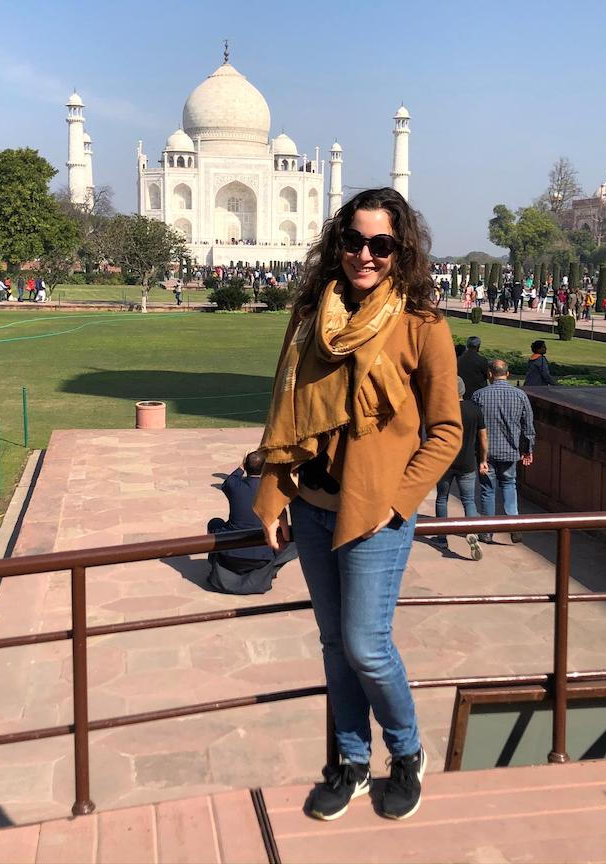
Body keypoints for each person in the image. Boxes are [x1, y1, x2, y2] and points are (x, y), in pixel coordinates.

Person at [253, 187, 462, 822]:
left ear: (402, 251)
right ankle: (349, 761)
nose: (364, 256)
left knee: (366, 645)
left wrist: (398, 503)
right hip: (314, 504)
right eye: (354, 242)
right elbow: (287, 408)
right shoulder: (314, 314)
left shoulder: (422, 324)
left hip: (375, 513)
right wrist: (274, 493)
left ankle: (406, 754)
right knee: (333, 644)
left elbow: (447, 431)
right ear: (337, 245)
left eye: (381, 244)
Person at [207, 450, 297, 594]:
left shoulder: (234, 486)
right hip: (263, 553)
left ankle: (216, 566)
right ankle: (271, 569)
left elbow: (228, 481)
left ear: (246, 466)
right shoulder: (272, 490)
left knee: (214, 523)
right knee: (292, 536)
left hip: (232, 552)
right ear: (266, 467)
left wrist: (242, 465)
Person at [472, 360, 535, 545]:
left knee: (487, 490)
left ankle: (487, 531)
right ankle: (513, 526)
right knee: (509, 486)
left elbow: (475, 427)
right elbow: (528, 427)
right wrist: (527, 449)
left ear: (490, 374)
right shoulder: (520, 395)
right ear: (507, 374)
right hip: (510, 450)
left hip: (486, 453)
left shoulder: (479, 395)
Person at [433, 377, 487, 560]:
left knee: (442, 499)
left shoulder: (442, 409)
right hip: (467, 462)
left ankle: (441, 537)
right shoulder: (474, 409)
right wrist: (483, 459)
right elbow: (483, 438)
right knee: (469, 501)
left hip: (445, 462)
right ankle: (471, 531)